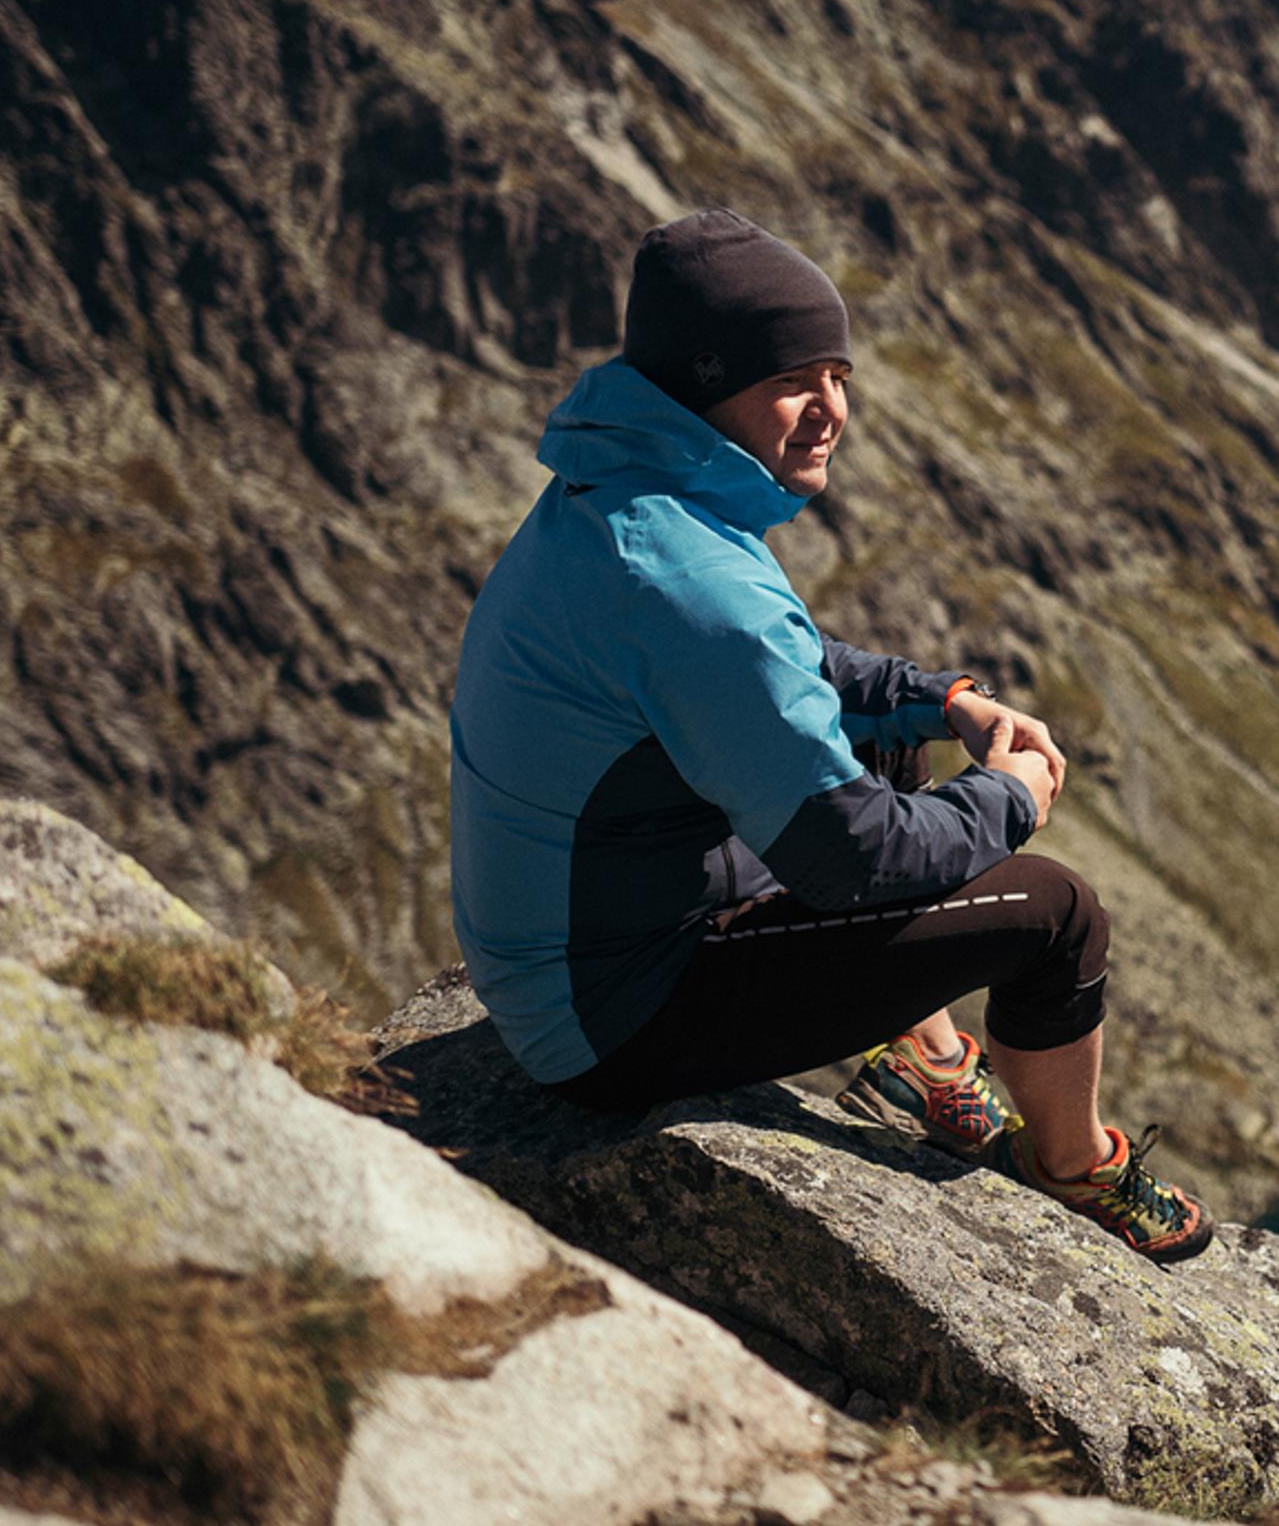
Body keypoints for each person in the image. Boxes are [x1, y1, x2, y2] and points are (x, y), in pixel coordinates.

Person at [447, 208, 1211, 1263]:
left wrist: (943, 701)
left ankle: (925, 1067)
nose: (829, 410)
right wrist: (1008, 798)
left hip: (594, 936)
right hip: (607, 1021)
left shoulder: (630, 499)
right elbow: (851, 858)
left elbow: (786, 671)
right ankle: (1073, 1168)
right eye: (790, 378)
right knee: (1056, 916)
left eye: (837, 375)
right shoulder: (686, 580)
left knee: (886, 744)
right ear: (703, 383)